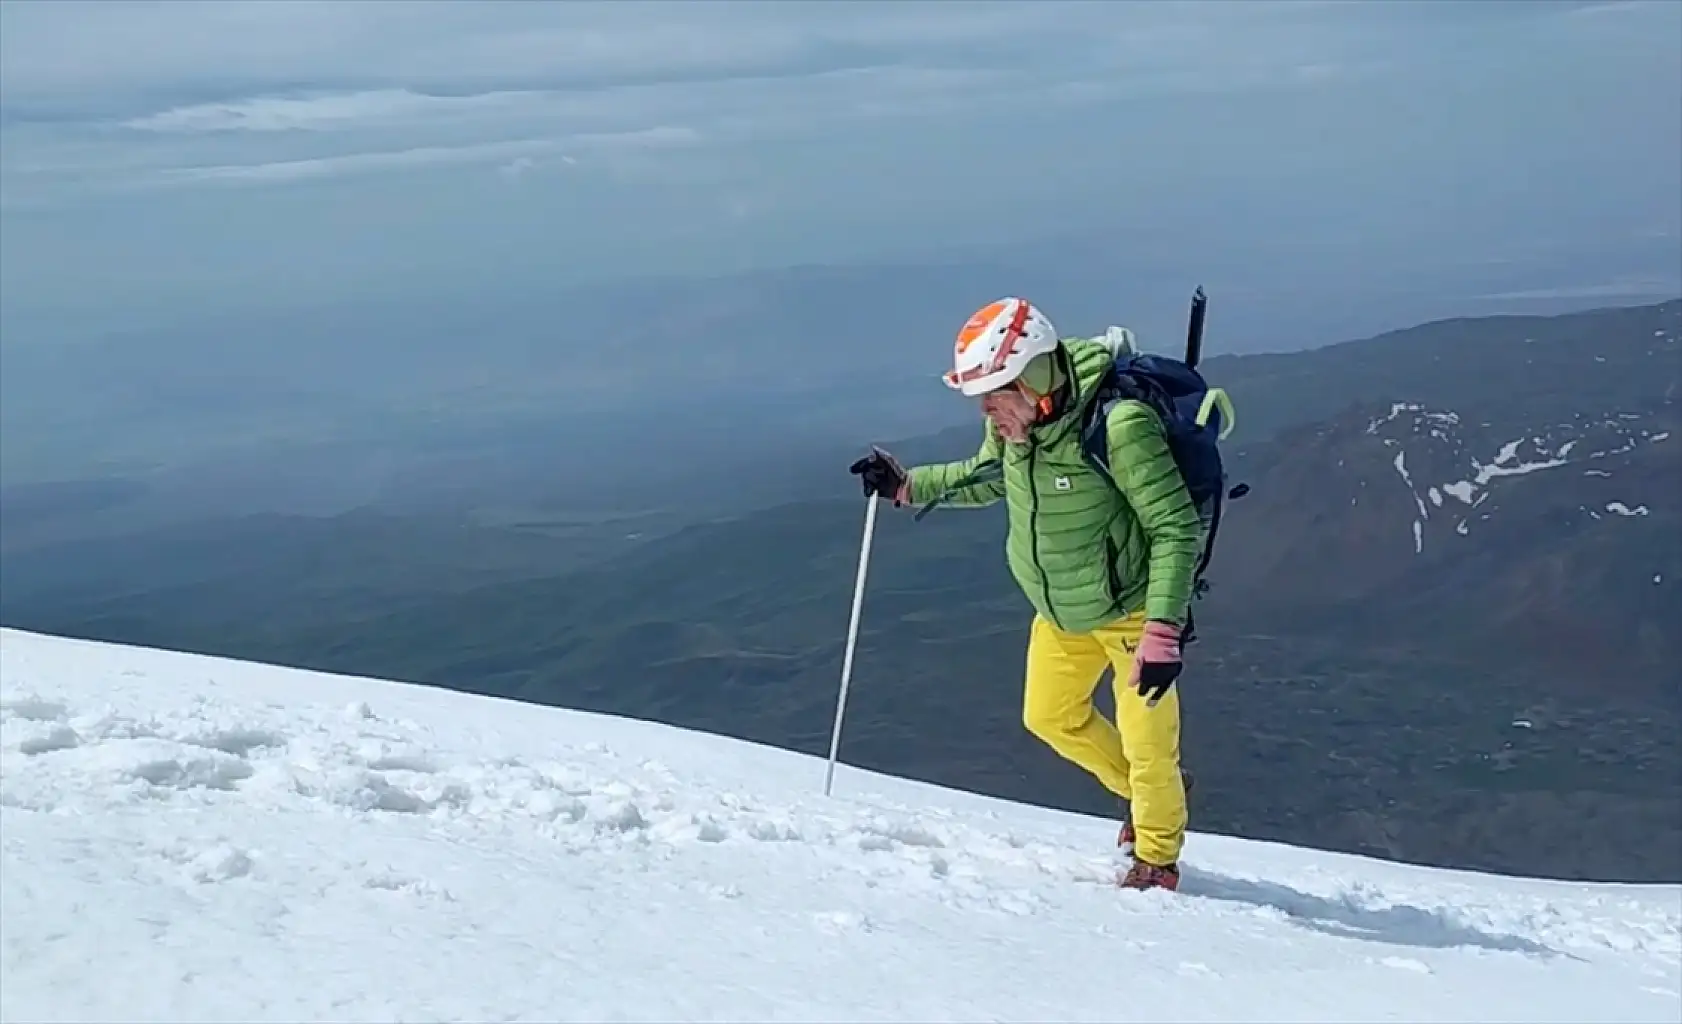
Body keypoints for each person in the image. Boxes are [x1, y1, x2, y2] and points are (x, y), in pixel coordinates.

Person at [849, 297, 1202, 892]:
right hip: (1061, 610)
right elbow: (985, 477)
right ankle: (1149, 793)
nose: (988, 412)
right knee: (1048, 716)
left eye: (995, 394)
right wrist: (906, 487)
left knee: (1148, 743)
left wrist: (1163, 631)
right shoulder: (1018, 428)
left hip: (1134, 612)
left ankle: (1157, 859)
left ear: (1036, 379)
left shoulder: (1119, 426)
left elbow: (1174, 527)